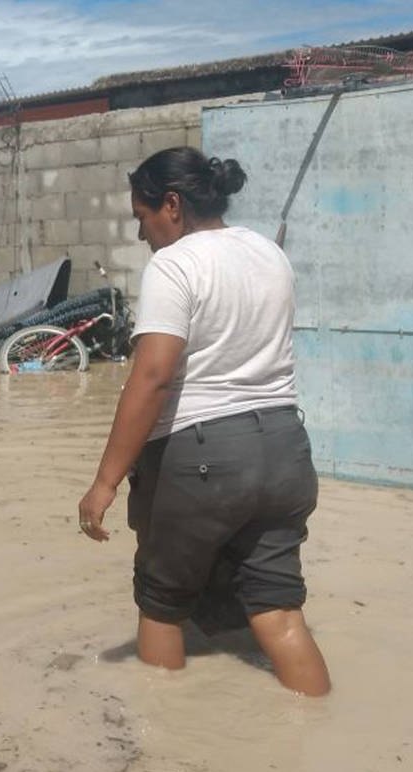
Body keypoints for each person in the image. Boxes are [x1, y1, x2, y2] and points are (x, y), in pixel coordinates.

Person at [77, 147, 330, 696]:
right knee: (279, 610)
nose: (143, 234)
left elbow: (152, 377)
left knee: (163, 606)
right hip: (286, 448)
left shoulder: (175, 263)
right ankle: (318, 730)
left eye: (142, 218)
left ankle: (169, 753)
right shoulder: (268, 253)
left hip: (203, 459)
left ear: (171, 205)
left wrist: (104, 482)